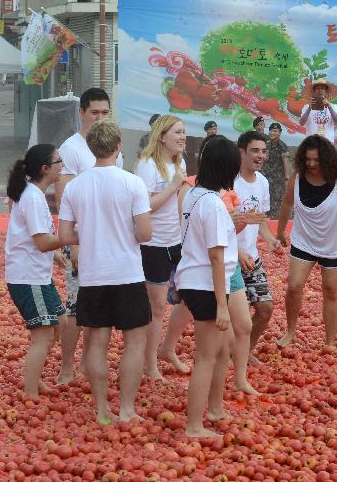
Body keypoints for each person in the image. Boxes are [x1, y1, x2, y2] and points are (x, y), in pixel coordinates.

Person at [57, 120, 152, 425]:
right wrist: (121, 233)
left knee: (96, 343)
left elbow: (64, 236)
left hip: (93, 275)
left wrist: (92, 234)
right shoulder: (132, 183)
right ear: (118, 146)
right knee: (134, 343)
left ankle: (101, 409)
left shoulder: (74, 186)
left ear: (90, 147)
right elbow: (145, 233)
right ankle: (126, 408)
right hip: (127, 273)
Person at [54, 88, 124, 385]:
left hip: (110, 242)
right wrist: (75, 243)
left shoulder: (113, 149)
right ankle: (67, 366)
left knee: (101, 305)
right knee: (75, 304)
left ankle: (87, 363)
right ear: (81, 113)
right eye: (94, 112)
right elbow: (63, 197)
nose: (99, 118)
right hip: (83, 239)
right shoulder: (70, 149)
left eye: (105, 113)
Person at [174, 137, 240, 438]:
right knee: (206, 356)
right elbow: (216, 254)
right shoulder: (212, 204)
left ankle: (214, 407)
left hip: (195, 279)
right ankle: (194, 425)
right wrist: (223, 305)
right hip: (205, 284)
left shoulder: (194, 195)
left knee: (222, 348)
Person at [275, 135, 337, 351]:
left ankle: (330, 342)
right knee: (294, 286)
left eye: (316, 160)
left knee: (331, 290)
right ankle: (291, 331)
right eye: (307, 160)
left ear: (326, 159)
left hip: (334, 244)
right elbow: (286, 204)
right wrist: (280, 232)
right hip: (304, 240)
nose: (311, 164)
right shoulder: (297, 175)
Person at [5, 144, 67, 398]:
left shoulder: (35, 195)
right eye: (58, 161)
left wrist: (57, 254)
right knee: (42, 336)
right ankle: (30, 391)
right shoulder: (32, 197)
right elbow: (42, 242)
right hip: (28, 278)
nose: (62, 165)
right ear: (45, 169)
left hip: (37, 276)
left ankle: (35, 378)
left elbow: (40, 239)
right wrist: (73, 236)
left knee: (59, 324)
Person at [135, 115, 187, 381]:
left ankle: (167, 349)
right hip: (153, 244)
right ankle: (150, 364)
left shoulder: (179, 164)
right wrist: (175, 185)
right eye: (177, 132)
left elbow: (179, 204)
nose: (182, 137)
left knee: (187, 296)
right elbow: (144, 207)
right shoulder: (148, 165)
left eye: (184, 132)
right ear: (162, 136)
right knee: (156, 308)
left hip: (175, 242)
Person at [234, 131, 281, 375]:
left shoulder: (262, 182)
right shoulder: (229, 181)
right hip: (229, 258)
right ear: (242, 151)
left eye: (263, 151)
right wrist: (236, 250)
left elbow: (260, 219)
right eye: (255, 150)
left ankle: (244, 350)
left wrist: (271, 239)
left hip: (252, 258)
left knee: (265, 309)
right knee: (231, 316)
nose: (260, 156)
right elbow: (218, 223)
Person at [299, 79, 337, 145]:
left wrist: (329, 107)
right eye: (317, 88)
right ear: (314, 91)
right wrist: (309, 108)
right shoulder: (306, 106)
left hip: (327, 144)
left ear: (326, 92)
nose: (320, 90)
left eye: (323, 88)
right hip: (311, 143)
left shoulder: (334, 107)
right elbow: (301, 123)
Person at [262, 122, 290, 219]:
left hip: (278, 179)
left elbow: (285, 161)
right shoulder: (266, 144)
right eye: (271, 130)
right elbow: (262, 159)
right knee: (266, 199)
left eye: (275, 131)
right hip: (266, 177)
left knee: (277, 200)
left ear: (280, 133)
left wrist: (287, 178)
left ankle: (275, 221)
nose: (272, 133)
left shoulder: (282, 145)